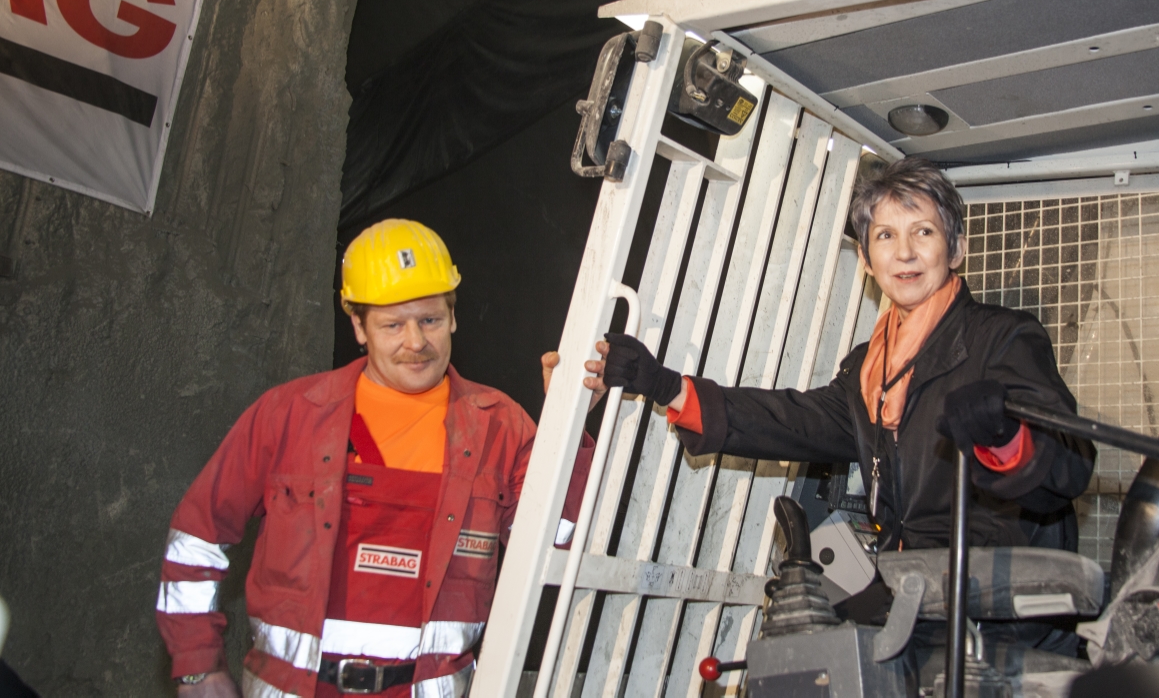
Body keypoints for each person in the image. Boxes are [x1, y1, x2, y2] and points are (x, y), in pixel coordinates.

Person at [576, 157, 1096, 650]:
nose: (906, 253)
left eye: (924, 232)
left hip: (1002, 619)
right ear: (867, 262)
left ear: (955, 248)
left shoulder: (1001, 340)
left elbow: (1070, 464)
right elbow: (792, 421)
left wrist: (1005, 440)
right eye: (886, 236)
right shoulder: (869, 369)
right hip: (914, 607)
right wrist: (666, 386)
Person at [157, 220, 592, 698]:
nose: (415, 342)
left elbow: (557, 544)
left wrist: (568, 430)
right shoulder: (289, 415)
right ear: (358, 328)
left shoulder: (499, 427)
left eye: (429, 319)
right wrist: (196, 667)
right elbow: (196, 537)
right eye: (392, 324)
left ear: (453, 317)